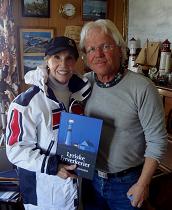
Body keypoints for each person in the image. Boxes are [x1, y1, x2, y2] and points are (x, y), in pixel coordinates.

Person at [79, 19, 167, 210]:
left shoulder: (142, 87)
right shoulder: (83, 84)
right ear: (85, 56)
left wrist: (142, 184)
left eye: (105, 46)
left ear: (120, 49)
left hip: (127, 183)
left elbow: (157, 140)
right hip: (90, 179)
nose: (98, 54)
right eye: (91, 49)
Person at [5, 36, 91, 210]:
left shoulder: (83, 95)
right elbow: (15, 150)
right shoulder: (26, 103)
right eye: (57, 57)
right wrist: (54, 166)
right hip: (44, 196)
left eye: (69, 58)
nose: (64, 64)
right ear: (47, 61)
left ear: (75, 61)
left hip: (77, 191)